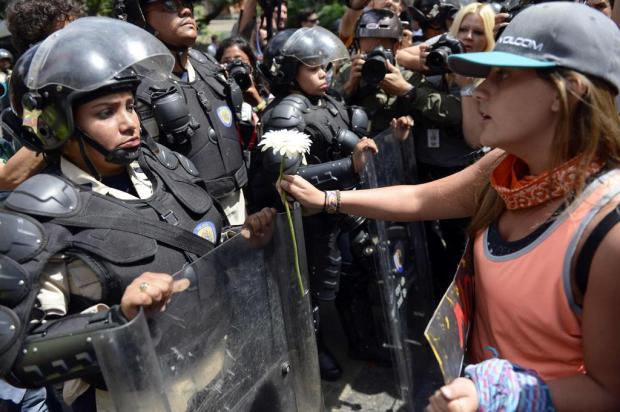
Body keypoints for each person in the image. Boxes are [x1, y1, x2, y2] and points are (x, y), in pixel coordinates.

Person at [281, 2, 620, 410]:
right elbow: (422, 198)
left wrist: (510, 396)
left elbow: (609, 391)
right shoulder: (507, 169)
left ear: (570, 92)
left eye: (504, 75)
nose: (482, 90)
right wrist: (329, 199)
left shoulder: (608, 230)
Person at [0, 17, 275, 410]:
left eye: (129, 105)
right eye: (106, 112)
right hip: (136, 396)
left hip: (219, 371)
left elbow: (201, 243)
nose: (130, 122)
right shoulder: (39, 214)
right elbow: (18, 350)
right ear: (55, 123)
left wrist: (241, 241)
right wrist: (117, 319)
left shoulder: (168, 165)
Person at [253, 26, 378, 381]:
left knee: (355, 271)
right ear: (290, 72)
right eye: (312, 67)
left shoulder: (327, 100)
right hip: (307, 218)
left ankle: (361, 340)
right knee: (305, 291)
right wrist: (348, 165)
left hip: (340, 206)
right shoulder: (285, 113)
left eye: (324, 66)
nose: (323, 73)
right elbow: (287, 180)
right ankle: (313, 351)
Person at [117, 0, 250, 225]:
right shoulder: (134, 83)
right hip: (187, 215)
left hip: (238, 203)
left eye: (187, 2)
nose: (186, 10)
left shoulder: (208, 64)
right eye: (169, 4)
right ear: (140, 17)